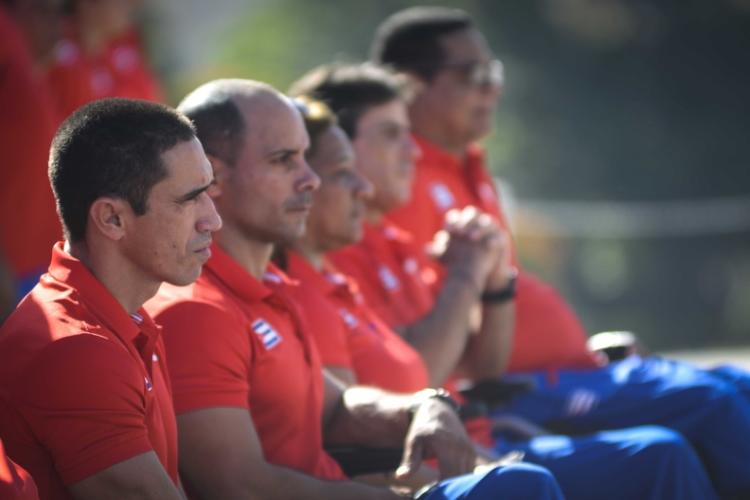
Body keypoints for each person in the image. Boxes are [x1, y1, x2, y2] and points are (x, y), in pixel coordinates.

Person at [357, 6, 750, 497]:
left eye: (493, 72)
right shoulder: (398, 188)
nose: (491, 87)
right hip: (515, 394)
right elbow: (446, 342)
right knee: (705, 407)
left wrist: (582, 352)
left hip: (563, 373)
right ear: (410, 84)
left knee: (738, 384)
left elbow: (494, 296)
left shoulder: (466, 169)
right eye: (471, 74)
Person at [283, 79, 718, 500]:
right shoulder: (310, 283)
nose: (412, 150)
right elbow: (393, 400)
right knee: (684, 425)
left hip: (487, 432)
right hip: (462, 450)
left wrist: (493, 285)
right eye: (392, 134)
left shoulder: (364, 263)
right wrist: (468, 274)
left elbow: (472, 367)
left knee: (687, 426)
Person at [145, 78, 565, 500]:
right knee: (528, 486)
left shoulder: (271, 289)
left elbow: (336, 406)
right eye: (284, 160)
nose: (310, 179)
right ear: (213, 176)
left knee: (530, 482)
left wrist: (420, 407)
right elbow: (240, 487)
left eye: (307, 158)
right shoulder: (196, 311)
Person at [0, 97, 222, 499]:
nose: (212, 219)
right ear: (112, 219)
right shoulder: (75, 349)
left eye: (208, 193)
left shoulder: (124, 317)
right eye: (189, 199)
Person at [0, 2, 62, 300]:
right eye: (45, 12)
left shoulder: (19, 46)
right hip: (14, 266)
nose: (58, 27)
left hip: (37, 260)